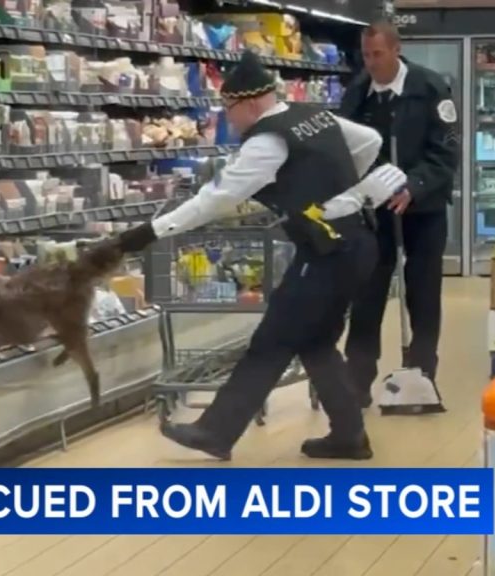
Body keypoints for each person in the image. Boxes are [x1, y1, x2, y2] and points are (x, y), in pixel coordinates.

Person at [115, 50, 408, 460]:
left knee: (272, 340)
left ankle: (216, 431)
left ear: (250, 103)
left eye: (227, 108)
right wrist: (342, 189)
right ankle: (349, 434)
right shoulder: (312, 115)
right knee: (317, 342)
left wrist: (150, 232)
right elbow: (369, 141)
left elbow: (216, 198)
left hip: (325, 253)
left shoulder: (268, 141)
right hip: (358, 243)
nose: (227, 118)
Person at [338, 21, 460, 409]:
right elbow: (346, 148)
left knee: (423, 294)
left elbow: (445, 153)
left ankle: (421, 376)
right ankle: (357, 380)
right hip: (376, 211)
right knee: (367, 292)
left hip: (423, 210)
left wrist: (414, 185)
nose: (371, 63)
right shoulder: (358, 93)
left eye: (377, 54)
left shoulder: (429, 88)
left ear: (396, 49)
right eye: (366, 55)